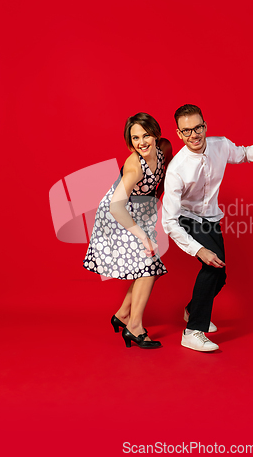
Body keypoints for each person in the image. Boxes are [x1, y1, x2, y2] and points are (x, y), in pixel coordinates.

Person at [162, 104, 253, 352]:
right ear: (179, 134)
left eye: (197, 127)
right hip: (186, 219)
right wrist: (198, 250)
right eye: (186, 131)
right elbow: (169, 221)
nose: (194, 135)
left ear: (205, 126)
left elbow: (241, 153)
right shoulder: (177, 169)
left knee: (220, 276)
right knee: (211, 266)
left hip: (211, 218)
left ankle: (192, 310)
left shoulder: (219, 144)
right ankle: (192, 331)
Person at [84, 113, 172, 349]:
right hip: (117, 216)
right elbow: (116, 206)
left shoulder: (164, 148)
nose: (141, 143)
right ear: (129, 141)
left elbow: (163, 180)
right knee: (148, 265)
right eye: (135, 138)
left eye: (146, 135)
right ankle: (134, 327)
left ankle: (123, 315)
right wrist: (143, 236)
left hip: (141, 212)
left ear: (156, 134)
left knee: (146, 267)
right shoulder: (135, 167)